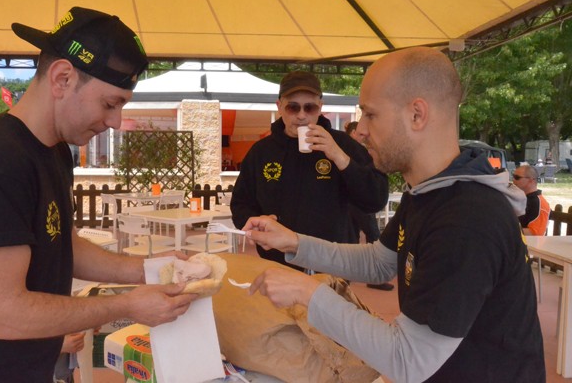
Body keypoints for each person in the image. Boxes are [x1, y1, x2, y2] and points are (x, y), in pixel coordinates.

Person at [243, 47, 545, 382]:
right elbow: (379, 261)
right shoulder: (429, 192)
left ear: (417, 115)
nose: (362, 130)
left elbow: (407, 360)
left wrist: (307, 292)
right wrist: (294, 243)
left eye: (371, 115)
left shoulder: (466, 218)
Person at [0, 7, 197, 382]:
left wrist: (147, 269)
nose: (115, 122)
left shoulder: (54, 151)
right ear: (62, 78)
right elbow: (1, 313)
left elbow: (62, 246)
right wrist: (125, 306)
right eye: (110, 104)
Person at [230, 71, 388, 269]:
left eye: (310, 107)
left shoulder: (343, 145)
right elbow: (240, 203)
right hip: (278, 264)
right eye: (293, 107)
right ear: (279, 107)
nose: (301, 115)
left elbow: (376, 199)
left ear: (320, 107)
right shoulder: (261, 152)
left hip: (332, 265)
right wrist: (255, 220)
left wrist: (339, 157)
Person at [344, 121, 393, 291]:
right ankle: (374, 277)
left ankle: (349, 275)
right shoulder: (352, 152)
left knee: (354, 235)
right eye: (359, 133)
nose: (364, 135)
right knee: (370, 233)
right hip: (357, 201)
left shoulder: (360, 152)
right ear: (352, 134)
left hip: (357, 200)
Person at [514, 164, 551, 235]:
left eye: (517, 177)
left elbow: (535, 233)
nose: (513, 180)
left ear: (531, 180)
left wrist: (506, 229)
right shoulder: (521, 198)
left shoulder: (539, 203)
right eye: (513, 176)